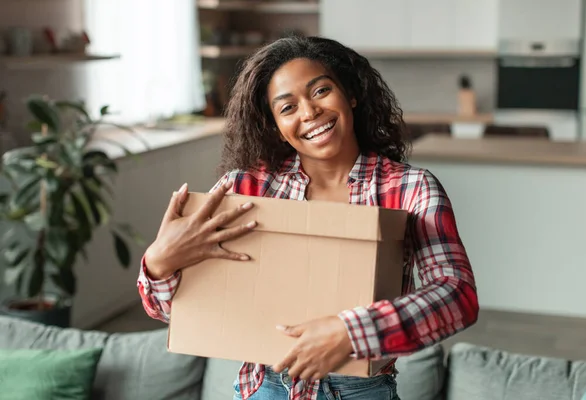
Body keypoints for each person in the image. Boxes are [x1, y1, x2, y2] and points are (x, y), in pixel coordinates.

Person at [137, 35, 479, 400]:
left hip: (360, 391)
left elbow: (458, 296)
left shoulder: (412, 188)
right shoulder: (245, 189)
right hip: (264, 387)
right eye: (287, 108)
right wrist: (160, 263)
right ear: (275, 127)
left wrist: (351, 332)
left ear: (351, 94)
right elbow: (170, 311)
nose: (309, 112)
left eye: (320, 91)